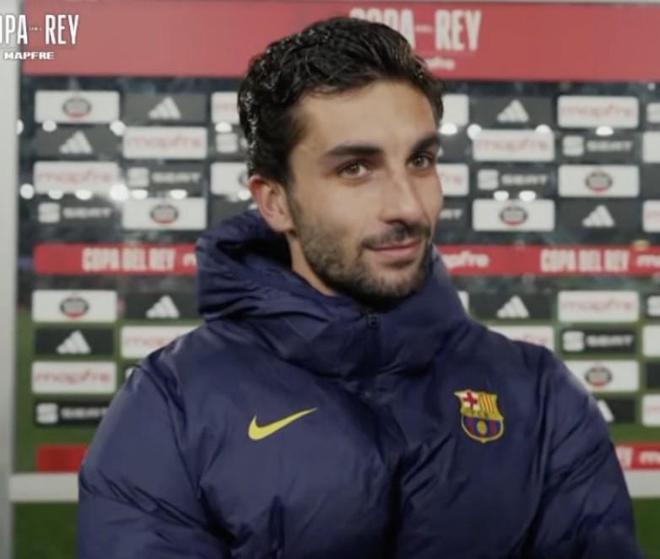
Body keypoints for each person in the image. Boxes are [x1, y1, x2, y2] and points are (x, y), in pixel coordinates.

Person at [78, 16, 642, 559]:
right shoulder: (171, 405)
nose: (408, 205)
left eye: (420, 160)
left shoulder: (540, 395)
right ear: (275, 201)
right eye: (355, 168)